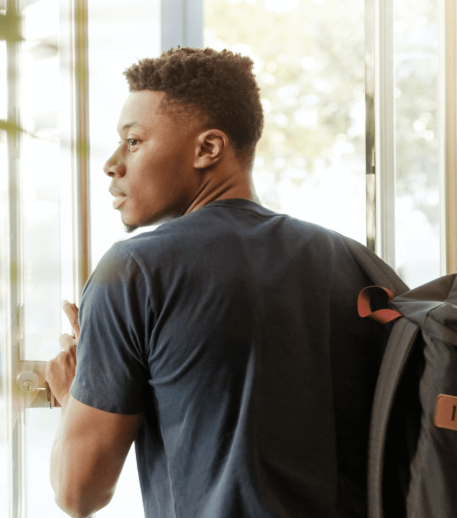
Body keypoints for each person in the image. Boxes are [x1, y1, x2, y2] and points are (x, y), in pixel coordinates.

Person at [42, 47, 386, 518]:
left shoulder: (135, 271)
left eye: (134, 141)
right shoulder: (355, 263)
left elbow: (78, 493)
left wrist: (74, 393)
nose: (112, 163)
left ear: (208, 149)